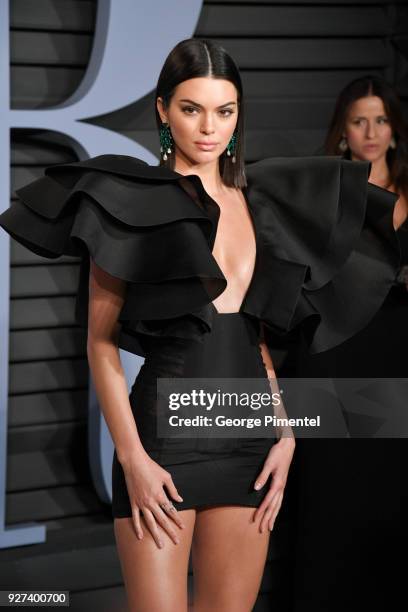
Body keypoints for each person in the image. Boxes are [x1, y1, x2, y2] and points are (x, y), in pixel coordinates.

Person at [0, 42, 400, 612]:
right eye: (192, 109)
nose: (210, 128)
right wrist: (134, 460)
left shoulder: (260, 203)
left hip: (251, 438)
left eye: (225, 111)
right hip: (162, 444)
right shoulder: (129, 199)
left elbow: (254, 332)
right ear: (162, 110)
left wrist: (284, 431)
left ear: (239, 114)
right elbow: (100, 343)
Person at [284, 75, 408, 611]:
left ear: (395, 130)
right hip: (334, 354)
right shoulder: (320, 190)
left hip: (399, 354)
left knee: (393, 497)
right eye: (360, 121)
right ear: (343, 132)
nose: (371, 131)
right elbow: (298, 276)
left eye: (381, 120)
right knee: (331, 494)